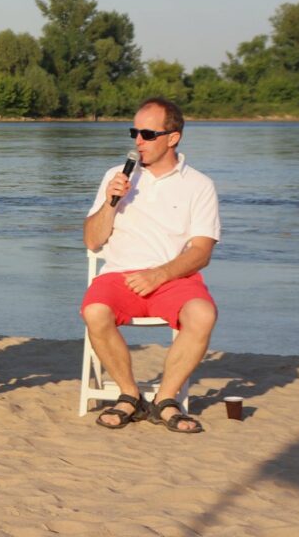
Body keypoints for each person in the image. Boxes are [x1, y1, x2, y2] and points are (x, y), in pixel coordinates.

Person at [82, 97, 220, 433]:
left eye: (147, 133)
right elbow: (92, 241)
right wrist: (111, 203)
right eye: (135, 132)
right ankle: (130, 395)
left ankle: (166, 399)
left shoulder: (199, 185)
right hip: (118, 273)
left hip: (173, 276)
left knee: (203, 314)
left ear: (173, 137)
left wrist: (160, 274)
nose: (138, 141)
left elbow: (201, 251)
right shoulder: (115, 176)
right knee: (94, 312)